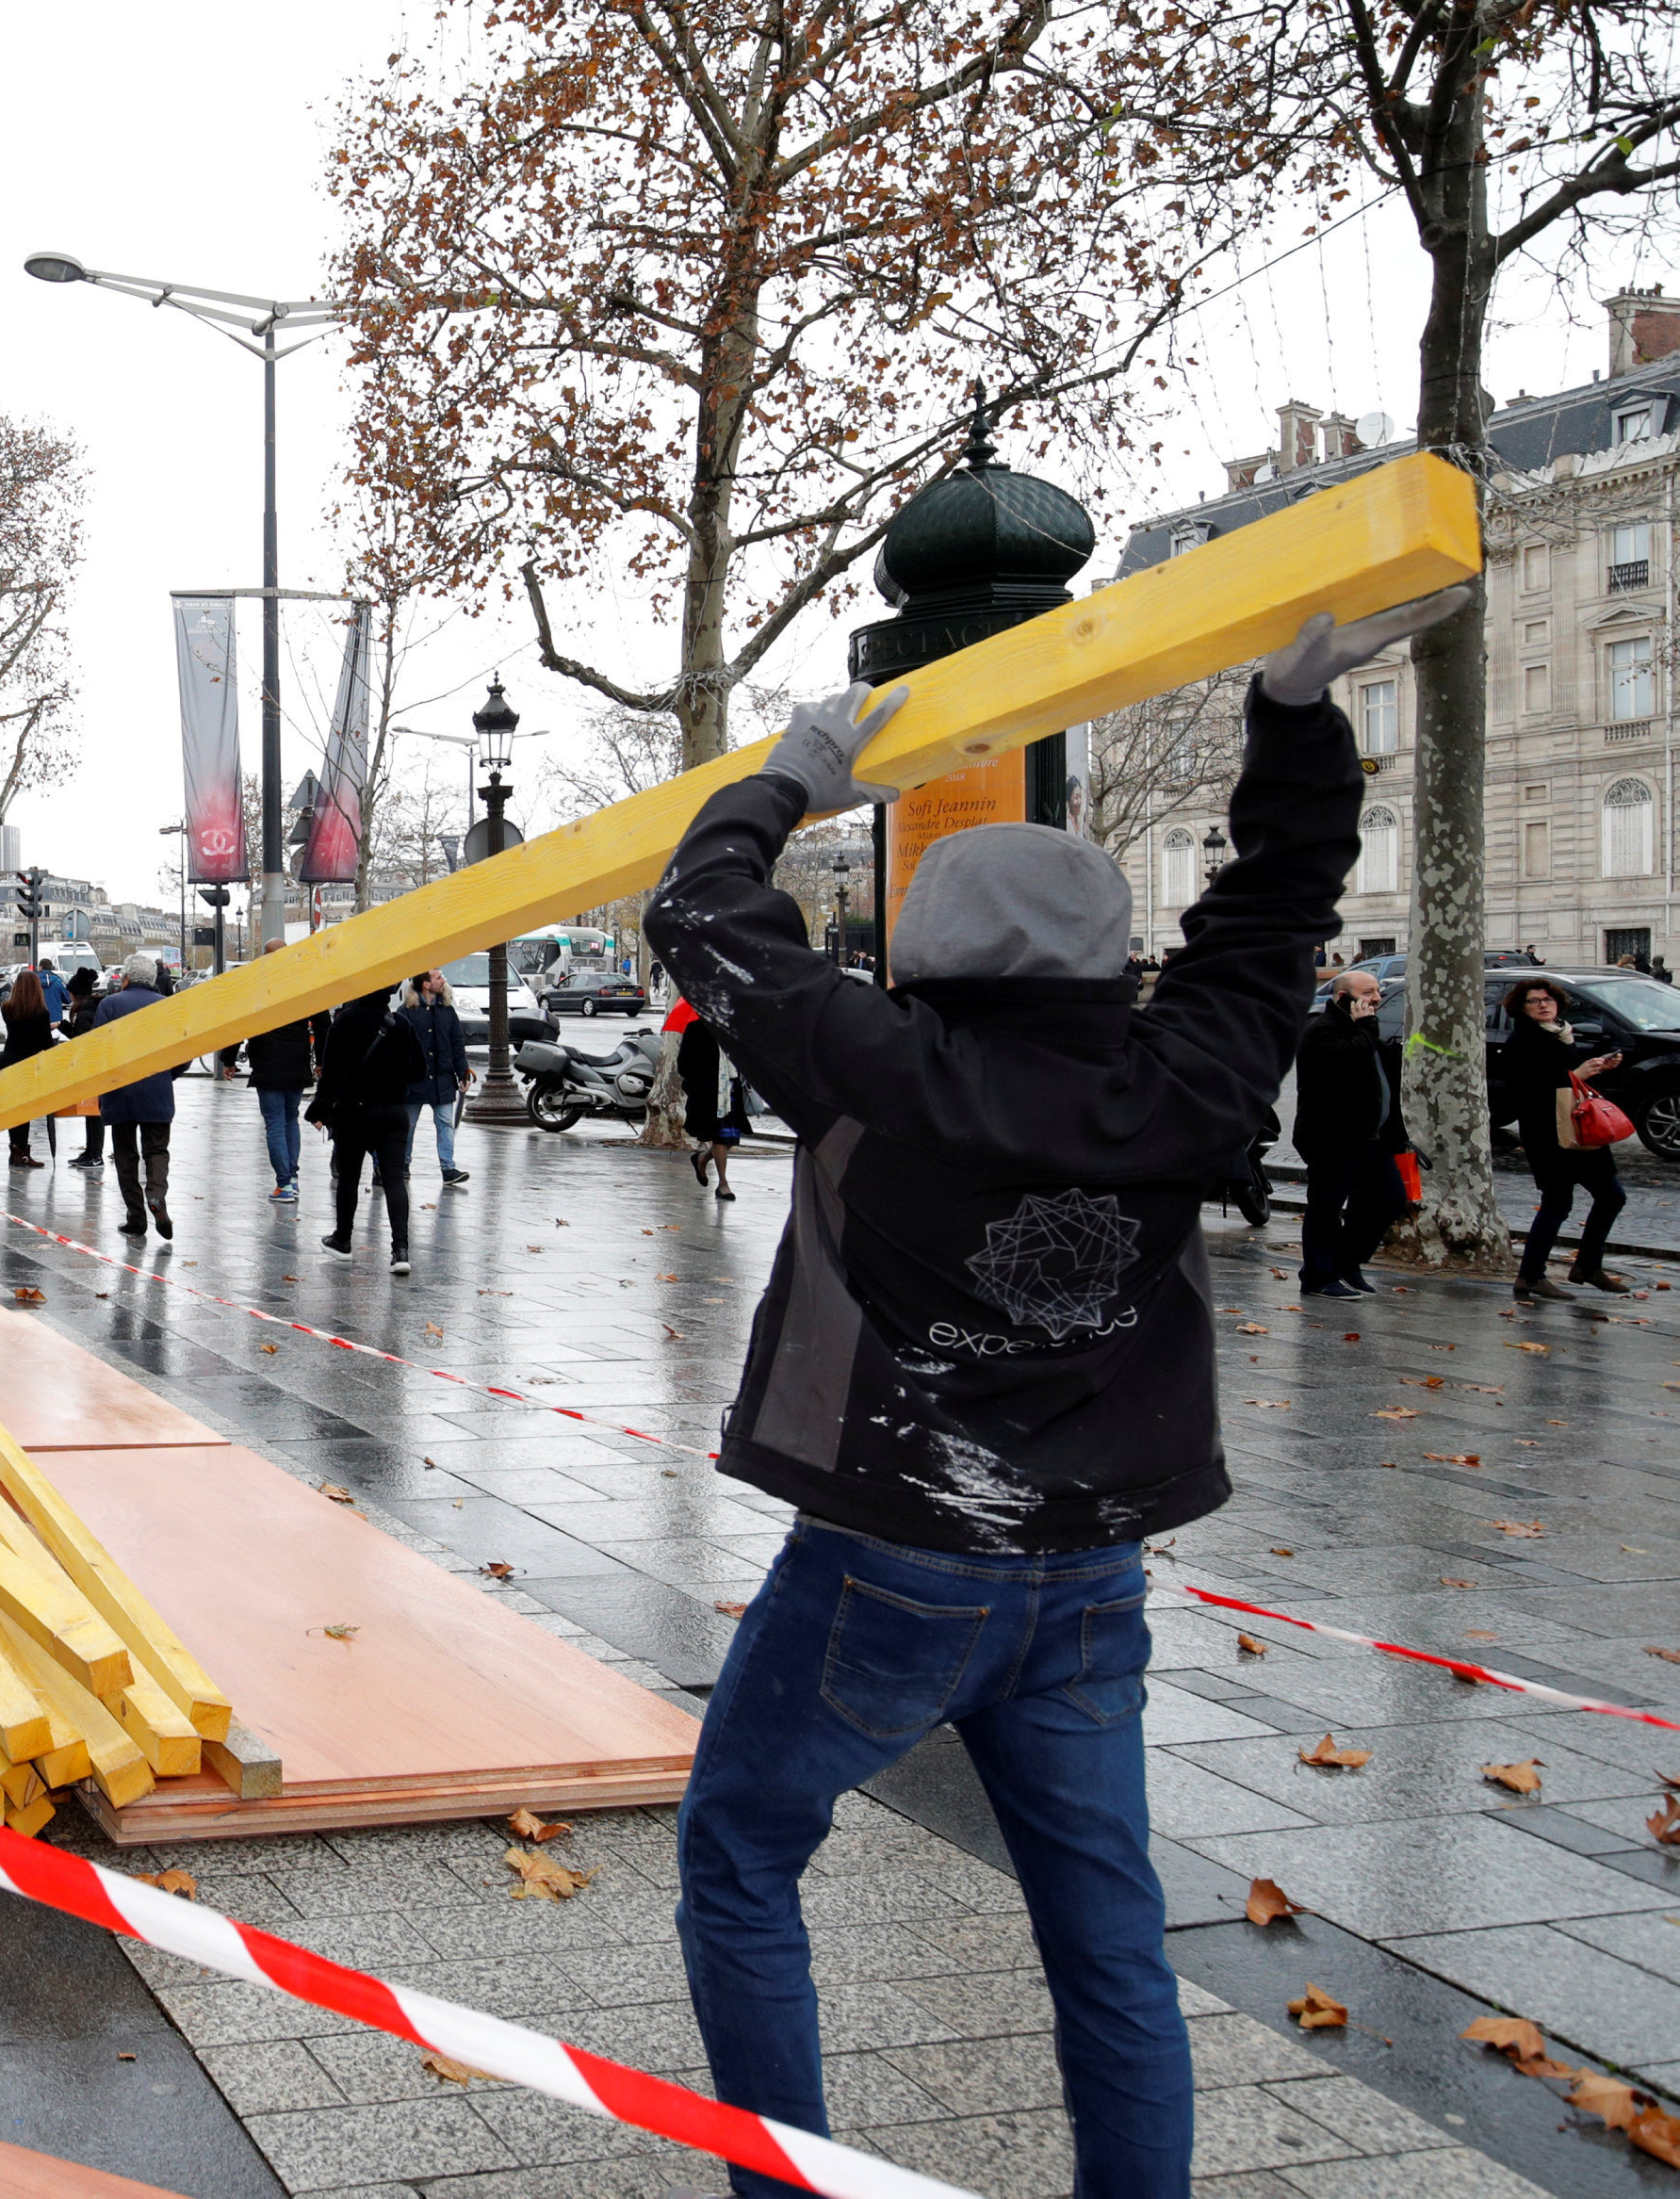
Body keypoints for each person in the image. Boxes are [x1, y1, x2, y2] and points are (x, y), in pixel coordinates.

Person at [644, 587, 1470, 2199]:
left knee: (741, 1855)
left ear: (928, 950)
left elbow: (699, 910)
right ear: (1110, 948)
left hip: (889, 1558)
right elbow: (1279, 898)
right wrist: (1294, 715)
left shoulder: (879, 1063)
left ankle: (781, 2185)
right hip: (1091, 1566)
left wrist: (792, 777)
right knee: (1108, 1936)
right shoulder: (1197, 1067)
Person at [1498, 975, 1633, 1300]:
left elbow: (1568, 1082)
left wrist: (1598, 1068)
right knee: (1557, 1204)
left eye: (1548, 1000)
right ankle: (1530, 1276)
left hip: (1579, 1129)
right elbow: (1526, 1092)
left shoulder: (1561, 1033)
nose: (1543, 1005)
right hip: (1548, 1135)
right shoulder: (1522, 1040)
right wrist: (1576, 1075)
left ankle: (1587, 1266)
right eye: (1535, 1001)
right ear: (1522, 1007)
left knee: (1612, 1196)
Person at [1292, 969, 1411, 1299]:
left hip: (1372, 1138)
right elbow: (1349, 1059)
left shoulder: (1365, 1030)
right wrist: (1367, 1027)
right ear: (1343, 998)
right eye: (1367, 993)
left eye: (1377, 991)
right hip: (1331, 1137)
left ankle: (1345, 1261)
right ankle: (1316, 1276)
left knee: (1389, 1197)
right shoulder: (1321, 1030)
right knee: (1326, 1207)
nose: (1376, 999)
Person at [308, 981, 416, 1272]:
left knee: (349, 1178)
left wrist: (319, 1109)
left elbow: (329, 1074)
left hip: (354, 1111)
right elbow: (419, 1069)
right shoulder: (401, 1023)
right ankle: (401, 1250)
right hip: (393, 1111)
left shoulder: (346, 1021)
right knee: (394, 1178)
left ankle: (342, 1240)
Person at [91, 953, 179, 1239]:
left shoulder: (110, 1005)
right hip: (157, 1090)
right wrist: (167, 1075)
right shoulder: (168, 1007)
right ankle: (156, 1197)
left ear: (125, 978)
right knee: (157, 1149)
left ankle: (136, 1216)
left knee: (126, 1155)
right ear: (153, 979)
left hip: (120, 1091)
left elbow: (98, 1049)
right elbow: (182, 1050)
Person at [244, 940, 323, 1205]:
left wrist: (228, 1058)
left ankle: (284, 1183)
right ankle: (293, 1178)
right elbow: (324, 1024)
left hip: (267, 1063)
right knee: (291, 1118)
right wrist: (322, 1059)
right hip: (297, 1062)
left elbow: (239, 1020)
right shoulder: (304, 982)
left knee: (275, 1124)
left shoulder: (257, 984)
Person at [397, 970, 472, 1185]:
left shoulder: (447, 1010)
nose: (444, 981)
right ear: (426, 984)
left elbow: (457, 1044)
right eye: (439, 977)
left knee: (445, 1123)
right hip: (415, 1080)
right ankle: (403, 1164)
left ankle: (448, 1168)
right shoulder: (407, 1012)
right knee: (408, 1124)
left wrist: (463, 1071)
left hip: (442, 1079)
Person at [677, 1002, 749, 1202]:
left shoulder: (734, 1030)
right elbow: (683, 1065)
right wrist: (701, 1080)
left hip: (731, 1090)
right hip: (708, 1094)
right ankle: (723, 1184)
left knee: (731, 1139)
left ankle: (702, 1158)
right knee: (720, 1137)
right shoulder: (696, 1028)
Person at [0, 966, 57, 1167]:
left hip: (7, 1061)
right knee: (25, 1111)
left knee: (12, 1109)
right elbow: (46, 1045)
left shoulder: (7, 1009)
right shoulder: (41, 1012)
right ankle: (22, 1152)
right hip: (28, 1065)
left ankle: (15, 1149)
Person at [62, 968, 108, 1171]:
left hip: (93, 1068)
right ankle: (91, 1152)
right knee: (91, 1112)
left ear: (76, 995)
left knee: (94, 1112)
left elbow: (81, 1041)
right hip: (96, 1066)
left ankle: (95, 1154)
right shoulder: (92, 1009)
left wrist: (64, 1029)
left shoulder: (85, 1014)